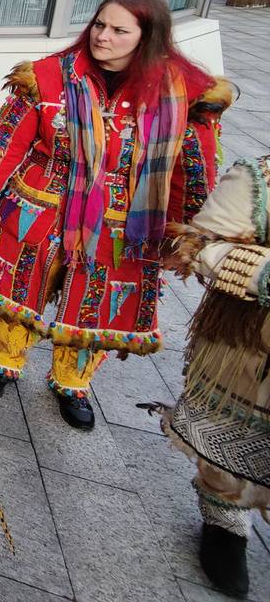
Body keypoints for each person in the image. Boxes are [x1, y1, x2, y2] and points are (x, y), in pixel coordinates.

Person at [0, 0, 231, 430]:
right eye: (99, 24)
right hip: (40, 206)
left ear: (148, 37)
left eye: (119, 30)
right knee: (19, 289)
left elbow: (191, 173)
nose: (102, 36)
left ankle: (72, 381)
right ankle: (3, 361)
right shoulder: (48, 77)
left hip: (125, 222)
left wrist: (187, 235)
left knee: (97, 302)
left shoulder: (184, 96)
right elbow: (7, 143)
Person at [154, 155, 269, 598]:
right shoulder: (260, 180)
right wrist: (262, 274)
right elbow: (199, 246)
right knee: (232, 443)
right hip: (250, 350)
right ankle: (225, 519)